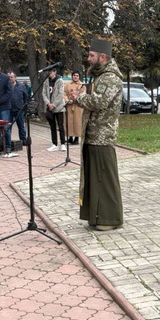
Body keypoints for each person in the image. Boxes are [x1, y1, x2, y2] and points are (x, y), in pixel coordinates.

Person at [69, 37, 123, 230]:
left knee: (104, 179)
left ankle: (110, 219)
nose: (88, 59)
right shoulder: (101, 75)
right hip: (94, 134)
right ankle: (98, 216)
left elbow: (99, 102)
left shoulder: (109, 77)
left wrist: (80, 97)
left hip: (102, 135)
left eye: (92, 56)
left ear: (103, 57)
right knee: (95, 179)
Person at [43, 67, 66, 151]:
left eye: (51, 72)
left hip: (59, 107)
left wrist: (54, 104)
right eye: (48, 72)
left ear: (55, 72)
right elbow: (44, 93)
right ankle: (54, 143)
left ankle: (63, 143)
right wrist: (48, 103)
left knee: (60, 126)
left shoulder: (60, 81)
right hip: (49, 107)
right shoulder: (46, 81)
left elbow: (60, 94)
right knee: (52, 126)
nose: (49, 73)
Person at [64, 69, 85, 144]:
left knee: (77, 122)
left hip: (78, 106)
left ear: (79, 77)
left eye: (77, 76)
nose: (75, 77)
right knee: (69, 122)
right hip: (69, 106)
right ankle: (70, 137)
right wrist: (67, 100)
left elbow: (83, 94)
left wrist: (75, 100)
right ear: (72, 76)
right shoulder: (67, 84)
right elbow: (64, 93)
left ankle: (76, 138)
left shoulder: (82, 85)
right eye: (74, 75)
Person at [8, 71, 29, 143]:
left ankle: (23, 140)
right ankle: (7, 141)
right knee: (8, 126)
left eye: (11, 77)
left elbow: (26, 97)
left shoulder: (21, 86)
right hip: (9, 109)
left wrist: (24, 106)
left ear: (15, 77)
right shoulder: (6, 86)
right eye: (9, 77)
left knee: (21, 126)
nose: (10, 79)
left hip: (19, 109)